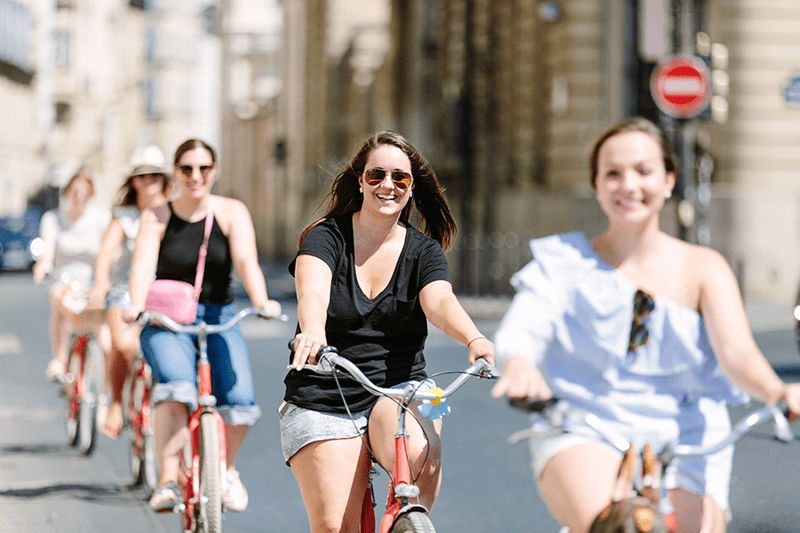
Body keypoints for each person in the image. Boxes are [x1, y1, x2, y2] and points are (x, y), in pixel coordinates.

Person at [489, 117, 800, 533]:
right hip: (585, 425)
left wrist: (776, 391)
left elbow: (737, 352)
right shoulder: (564, 261)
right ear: (597, 185)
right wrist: (520, 362)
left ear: (669, 180)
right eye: (612, 174)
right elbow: (526, 323)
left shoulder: (704, 267)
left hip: (690, 433)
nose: (628, 185)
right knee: (625, 527)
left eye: (643, 171)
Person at [282, 130, 495, 533]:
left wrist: (475, 338)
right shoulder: (326, 237)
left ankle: (407, 523)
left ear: (412, 188)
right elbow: (312, 289)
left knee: (423, 455)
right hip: (325, 390)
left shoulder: (423, 251)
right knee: (334, 526)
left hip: (401, 387)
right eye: (377, 175)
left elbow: (441, 302)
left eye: (400, 178)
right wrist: (312, 331)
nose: (388, 185)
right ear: (360, 180)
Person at [122, 139, 282, 513]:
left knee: (240, 402)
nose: (196, 176)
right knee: (177, 388)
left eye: (204, 168)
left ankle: (224, 471)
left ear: (215, 170)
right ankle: (167, 480)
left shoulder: (231, 212)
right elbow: (143, 265)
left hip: (220, 317)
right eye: (187, 169)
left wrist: (261, 301)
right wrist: (134, 303)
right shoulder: (157, 215)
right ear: (175, 173)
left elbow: (245, 261)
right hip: (167, 320)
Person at [87, 145, 172, 439]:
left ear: (164, 179)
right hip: (124, 291)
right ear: (133, 181)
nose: (148, 181)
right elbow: (105, 254)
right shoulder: (124, 216)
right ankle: (115, 403)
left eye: (154, 175)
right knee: (124, 345)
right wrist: (100, 281)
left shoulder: (174, 213)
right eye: (142, 176)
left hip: (163, 293)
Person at [34, 169, 112, 382]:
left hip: (94, 284)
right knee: (59, 299)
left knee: (106, 342)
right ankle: (59, 359)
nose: (80, 197)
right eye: (75, 192)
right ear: (67, 192)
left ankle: (106, 399)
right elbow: (47, 252)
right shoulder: (53, 219)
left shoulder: (101, 218)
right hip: (65, 282)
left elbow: (110, 251)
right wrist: (43, 266)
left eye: (85, 193)